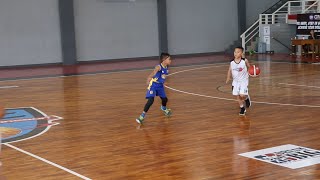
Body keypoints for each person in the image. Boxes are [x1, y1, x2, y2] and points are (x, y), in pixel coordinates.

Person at [136, 53, 172, 124]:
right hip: (153, 85)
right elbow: (154, 72)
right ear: (164, 60)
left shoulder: (167, 67)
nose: (170, 60)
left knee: (165, 99)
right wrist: (149, 77)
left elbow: (162, 76)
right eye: (169, 59)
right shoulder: (159, 67)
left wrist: (163, 82)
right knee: (151, 100)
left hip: (160, 86)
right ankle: (142, 116)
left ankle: (163, 108)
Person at [226, 47, 251, 116]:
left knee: (242, 95)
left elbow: (250, 68)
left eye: (238, 52)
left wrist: (253, 73)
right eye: (235, 52)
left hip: (244, 80)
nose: (236, 53)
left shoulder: (244, 61)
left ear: (241, 53)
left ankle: (246, 98)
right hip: (235, 81)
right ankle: (242, 108)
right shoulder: (232, 62)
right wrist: (228, 77)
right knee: (237, 96)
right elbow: (229, 70)